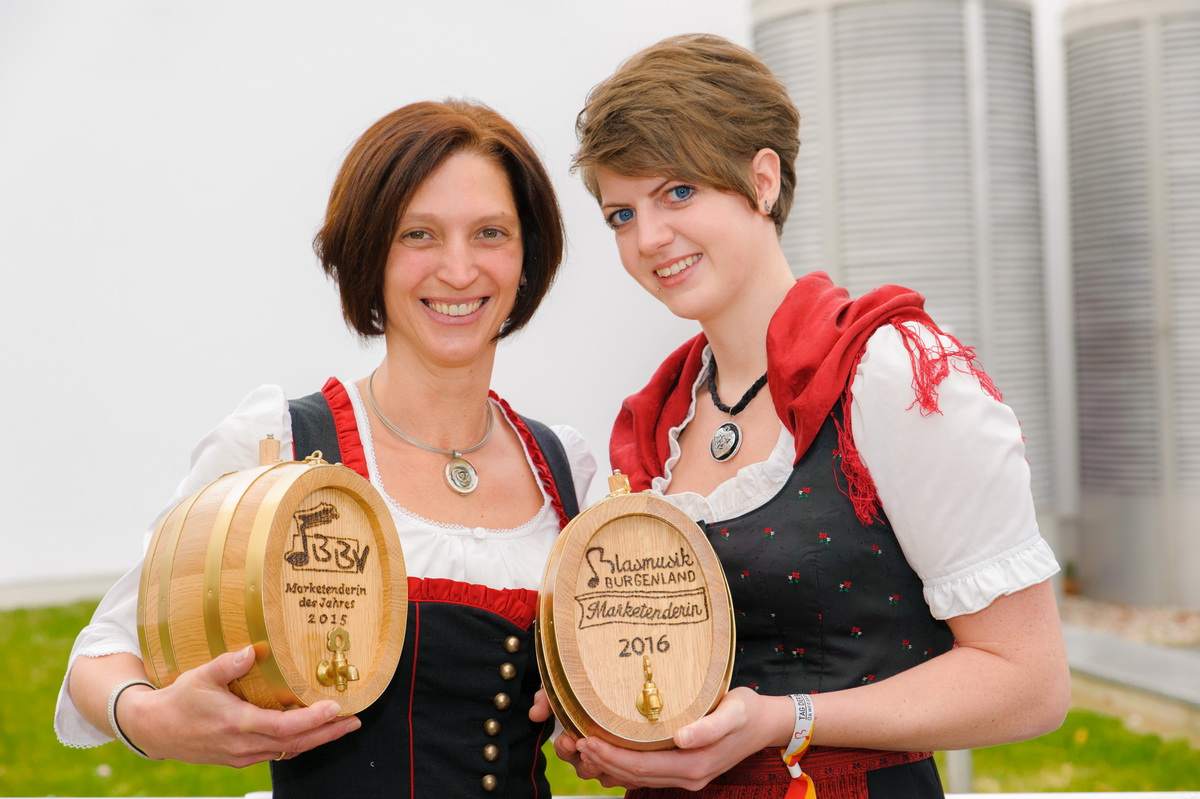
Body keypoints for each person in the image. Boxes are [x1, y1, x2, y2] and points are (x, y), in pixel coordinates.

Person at [542, 33, 1069, 797]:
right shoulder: (656, 422)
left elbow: (1030, 681)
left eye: (678, 193)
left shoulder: (889, 374)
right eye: (621, 214)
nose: (648, 238)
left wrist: (786, 719)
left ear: (762, 180)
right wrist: (596, 712)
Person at [56, 100, 595, 798]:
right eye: (419, 235)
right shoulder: (275, 445)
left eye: (490, 233)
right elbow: (102, 651)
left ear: (527, 257)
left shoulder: (563, 471)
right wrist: (152, 719)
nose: (460, 270)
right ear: (370, 255)